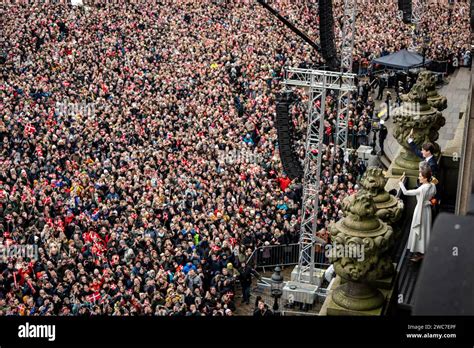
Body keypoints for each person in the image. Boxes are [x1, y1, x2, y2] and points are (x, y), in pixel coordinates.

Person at [398, 167, 437, 262]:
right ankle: (423, 250)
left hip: (420, 211)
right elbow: (433, 196)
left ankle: (420, 252)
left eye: (420, 176)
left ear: (425, 178)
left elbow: (406, 192)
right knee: (425, 230)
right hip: (427, 210)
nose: (419, 178)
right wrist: (430, 202)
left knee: (420, 231)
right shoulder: (433, 185)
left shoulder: (422, 189)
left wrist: (400, 182)